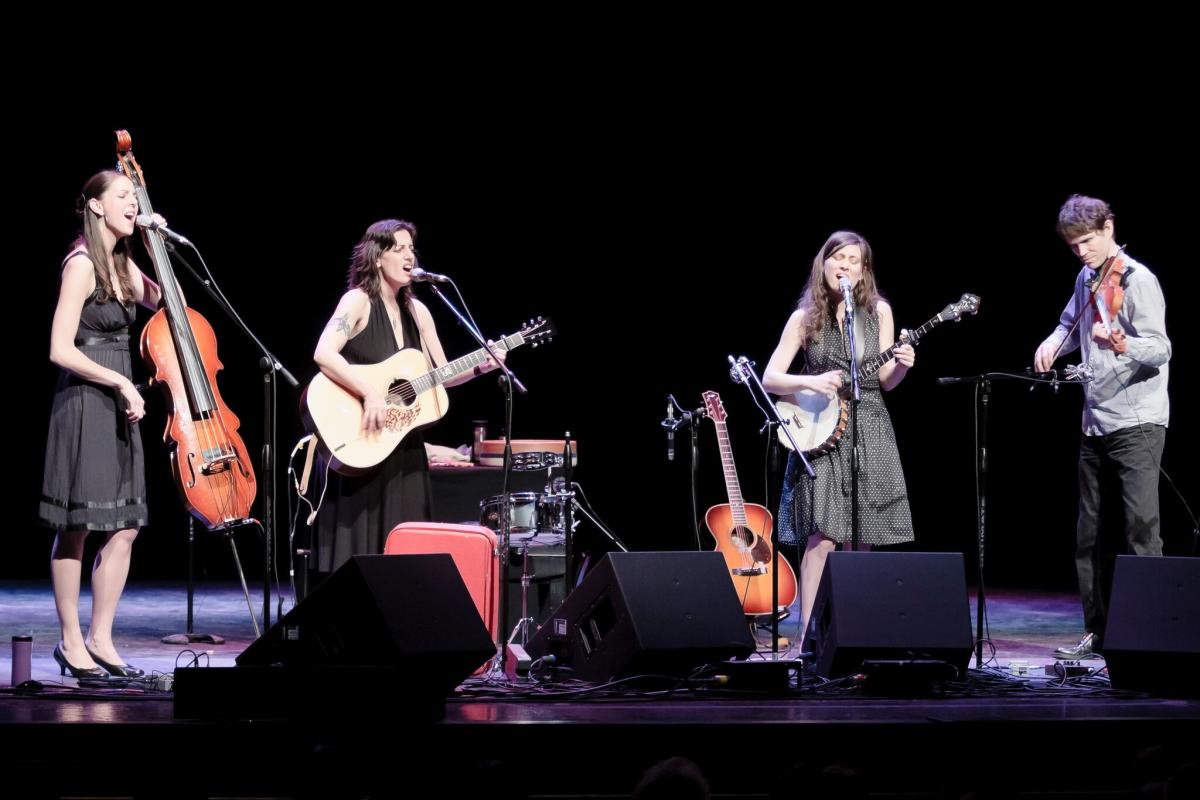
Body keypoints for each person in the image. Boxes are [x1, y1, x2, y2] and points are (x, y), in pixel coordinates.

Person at [312, 219, 499, 573]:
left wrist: (483, 365)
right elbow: (324, 353)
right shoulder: (357, 302)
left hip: (404, 449)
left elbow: (441, 374)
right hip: (363, 438)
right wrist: (370, 393)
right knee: (361, 561)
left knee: (405, 558)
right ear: (377, 257)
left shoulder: (419, 311)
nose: (409, 255)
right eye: (399, 248)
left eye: (412, 248)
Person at [38, 170, 164, 679]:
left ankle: (101, 640)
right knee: (78, 526)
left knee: (127, 525)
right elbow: (59, 349)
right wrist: (120, 382)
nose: (131, 205)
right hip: (87, 400)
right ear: (95, 206)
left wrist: (154, 238)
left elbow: (166, 305)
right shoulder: (82, 264)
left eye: (135, 198)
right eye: (122, 197)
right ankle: (71, 642)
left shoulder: (122, 264)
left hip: (117, 398)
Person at [763, 230, 916, 647]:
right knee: (824, 535)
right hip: (822, 433)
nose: (845, 266)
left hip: (870, 426)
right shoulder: (804, 318)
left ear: (864, 271)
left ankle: (853, 637)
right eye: (839, 258)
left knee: (862, 535)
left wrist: (902, 364)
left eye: (855, 260)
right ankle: (806, 641)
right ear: (824, 263)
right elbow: (770, 379)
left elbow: (885, 380)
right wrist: (811, 383)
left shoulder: (878, 312)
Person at [1033, 195, 1170, 659]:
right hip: (1094, 421)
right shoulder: (1085, 278)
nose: (1081, 252)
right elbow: (1069, 324)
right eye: (1074, 246)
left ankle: (1152, 636)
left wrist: (1121, 341)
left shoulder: (1138, 280)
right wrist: (1052, 344)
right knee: (1088, 535)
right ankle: (1097, 631)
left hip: (1137, 422)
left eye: (1087, 242)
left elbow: (1159, 349)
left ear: (1108, 227)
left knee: (1140, 531)